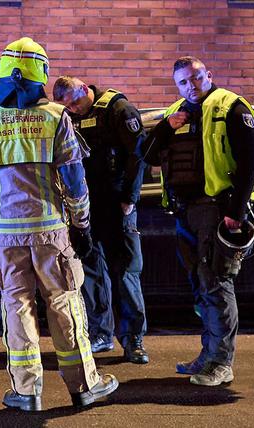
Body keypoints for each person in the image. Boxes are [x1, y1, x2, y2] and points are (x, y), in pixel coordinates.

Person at [0, 37, 118, 412]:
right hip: (49, 231)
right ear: (40, 73)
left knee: (16, 307)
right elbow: (75, 180)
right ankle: (84, 385)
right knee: (63, 303)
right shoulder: (56, 117)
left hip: (2, 232)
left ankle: (26, 391)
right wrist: (82, 225)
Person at [140, 56, 254, 387]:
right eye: (182, 82)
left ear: (208, 74)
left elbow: (250, 162)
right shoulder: (175, 113)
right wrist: (166, 127)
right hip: (185, 211)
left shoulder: (231, 107)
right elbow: (147, 155)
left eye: (195, 78)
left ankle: (222, 362)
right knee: (200, 285)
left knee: (217, 283)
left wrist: (235, 212)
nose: (190, 86)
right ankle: (208, 355)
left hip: (216, 210)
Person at [53, 76, 149, 364]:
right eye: (66, 106)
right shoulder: (69, 116)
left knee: (125, 271)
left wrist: (130, 198)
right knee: (91, 273)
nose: (73, 109)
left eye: (75, 102)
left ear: (85, 89)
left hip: (116, 204)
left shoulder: (118, 110)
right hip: (85, 207)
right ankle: (100, 334)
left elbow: (138, 156)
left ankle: (133, 340)